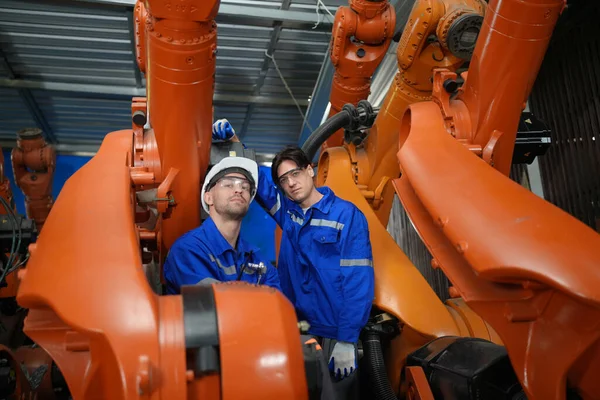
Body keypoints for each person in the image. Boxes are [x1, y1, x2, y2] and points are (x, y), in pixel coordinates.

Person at [212, 119, 374, 392]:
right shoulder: (289, 214)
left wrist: (348, 338)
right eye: (284, 180)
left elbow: (359, 280)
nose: (291, 184)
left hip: (335, 332)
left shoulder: (346, 216)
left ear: (309, 170)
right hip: (298, 327)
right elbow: (260, 180)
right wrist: (234, 143)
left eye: (295, 174)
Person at [163, 156, 281, 294]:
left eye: (245, 187)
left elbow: (277, 305)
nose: (239, 190)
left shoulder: (256, 258)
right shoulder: (188, 250)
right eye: (228, 185)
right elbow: (215, 303)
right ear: (209, 198)